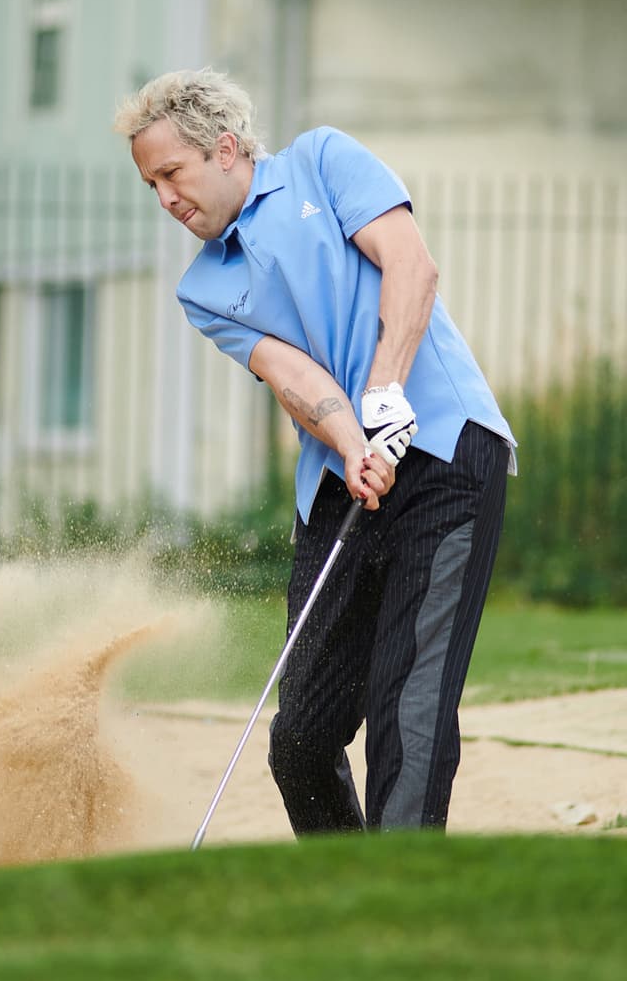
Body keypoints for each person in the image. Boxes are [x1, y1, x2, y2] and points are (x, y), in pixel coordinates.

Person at [114, 68, 516, 834]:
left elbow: (411, 265)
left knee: (410, 706)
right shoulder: (205, 288)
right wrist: (354, 440)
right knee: (299, 739)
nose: (164, 198)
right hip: (342, 481)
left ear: (224, 148)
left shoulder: (323, 162)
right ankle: (341, 887)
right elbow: (292, 377)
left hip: (446, 453)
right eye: (150, 184)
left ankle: (396, 903)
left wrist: (388, 391)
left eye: (171, 173)